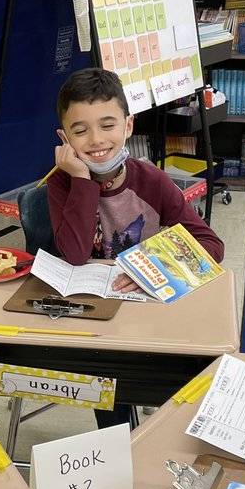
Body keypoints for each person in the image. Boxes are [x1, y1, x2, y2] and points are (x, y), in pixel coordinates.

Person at [47, 67, 225, 428]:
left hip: (149, 313)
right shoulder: (63, 185)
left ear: (128, 126)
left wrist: (151, 268)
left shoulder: (152, 181)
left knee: (170, 383)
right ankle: (118, 443)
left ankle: (151, 434)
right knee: (107, 384)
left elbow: (211, 245)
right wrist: (82, 180)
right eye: (80, 131)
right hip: (94, 321)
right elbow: (76, 255)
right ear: (64, 138)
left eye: (107, 125)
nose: (96, 140)